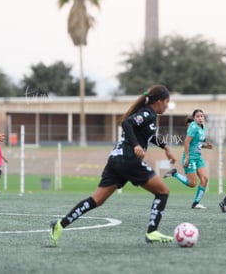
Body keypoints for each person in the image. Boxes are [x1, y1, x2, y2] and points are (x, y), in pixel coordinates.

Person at [50, 85, 176, 246]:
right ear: (158, 101)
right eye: (166, 102)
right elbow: (127, 124)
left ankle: (60, 225)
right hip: (128, 160)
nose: (167, 105)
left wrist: (165, 147)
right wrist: (136, 146)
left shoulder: (148, 115)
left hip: (115, 160)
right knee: (163, 191)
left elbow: (149, 136)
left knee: (97, 200)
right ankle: (152, 232)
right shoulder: (147, 113)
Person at [163, 109, 212, 209]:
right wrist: (187, 158)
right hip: (190, 158)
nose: (200, 118)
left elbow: (197, 143)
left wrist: (206, 146)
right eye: (198, 116)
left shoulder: (202, 127)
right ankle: (174, 173)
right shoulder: (193, 127)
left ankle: (195, 203)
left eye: (202, 116)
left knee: (205, 179)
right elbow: (186, 142)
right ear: (194, 118)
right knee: (192, 183)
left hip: (198, 158)